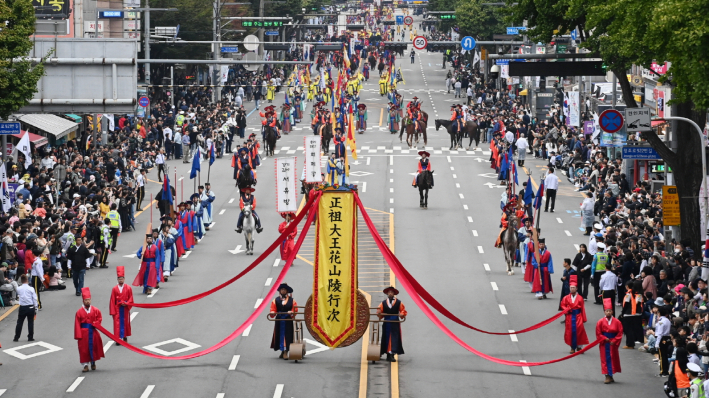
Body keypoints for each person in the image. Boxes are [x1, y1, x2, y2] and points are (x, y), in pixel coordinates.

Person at [74, 287, 105, 372]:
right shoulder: (79, 312)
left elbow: (99, 318)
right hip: (83, 333)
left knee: (94, 347)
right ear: (83, 301)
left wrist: (96, 323)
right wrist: (78, 335)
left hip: (93, 331)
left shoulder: (95, 310)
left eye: (89, 300)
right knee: (83, 349)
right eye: (86, 300)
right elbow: (77, 324)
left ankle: (93, 362)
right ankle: (85, 365)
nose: (88, 301)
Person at [596, 298, 623, 384]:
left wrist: (615, 340)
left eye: (610, 311)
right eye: (607, 311)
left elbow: (620, 332)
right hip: (605, 342)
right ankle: (607, 375)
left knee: (613, 358)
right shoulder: (600, 322)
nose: (608, 312)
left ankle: (611, 375)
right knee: (605, 359)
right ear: (604, 312)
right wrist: (604, 338)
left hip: (613, 343)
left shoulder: (617, 322)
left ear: (612, 312)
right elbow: (598, 333)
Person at [560, 275, 589, 353]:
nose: (572, 289)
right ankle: (572, 347)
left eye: (574, 287)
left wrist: (584, 318)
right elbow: (562, 305)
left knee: (579, 331)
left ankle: (579, 347)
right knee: (570, 332)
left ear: (576, 288)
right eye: (571, 287)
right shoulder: (566, 297)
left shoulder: (580, 298)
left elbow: (582, 308)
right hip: (570, 316)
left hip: (578, 316)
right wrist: (566, 309)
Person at [378, 286, 407, 362]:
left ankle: (391, 354)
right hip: (387, 321)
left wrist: (402, 314)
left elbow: (403, 310)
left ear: (394, 293)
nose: (390, 293)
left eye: (392, 292)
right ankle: (386, 353)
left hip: (395, 322)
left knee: (394, 337)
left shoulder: (398, 302)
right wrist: (379, 313)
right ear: (387, 293)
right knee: (386, 336)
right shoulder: (383, 303)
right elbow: (379, 310)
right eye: (389, 292)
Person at [269, 283, 297, 359]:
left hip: (287, 320)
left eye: (284, 289)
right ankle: (282, 350)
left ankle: (286, 351)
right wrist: (272, 312)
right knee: (279, 335)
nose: (283, 291)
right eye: (282, 289)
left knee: (287, 335)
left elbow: (295, 309)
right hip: (279, 320)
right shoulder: (276, 300)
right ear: (280, 291)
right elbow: (273, 309)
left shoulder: (292, 300)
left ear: (287, 291)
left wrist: (291, 312)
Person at [109, 266, 134, 344]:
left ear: (124, 279)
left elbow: (131, 298)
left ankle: (125, 337)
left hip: (125, 308)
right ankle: (118, 338)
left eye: (122, 279)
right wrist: (112, 311)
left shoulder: (128, 288)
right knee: (117, 323)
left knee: (125, 322)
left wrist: (127, 303)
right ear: (117, 279)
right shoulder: (114, 289)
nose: (121, 280)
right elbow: (112, 300)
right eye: (119, 279)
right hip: (117, 308)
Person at [14, 274, 37, 342]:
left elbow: (18, 295)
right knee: (30, 322)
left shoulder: (19, 288)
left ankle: (16, 337)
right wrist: (36, 308)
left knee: (20, 322)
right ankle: (30, 337)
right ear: (27, 280)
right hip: (30, 307)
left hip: (23, 307)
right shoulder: (31, 288)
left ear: (21, 281)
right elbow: (35, 299)